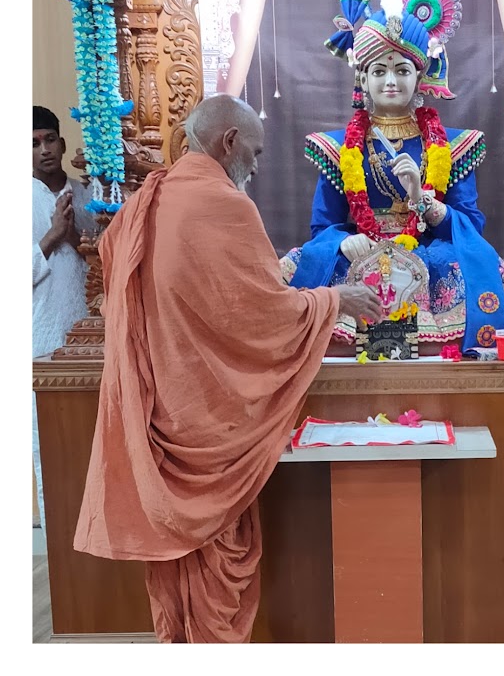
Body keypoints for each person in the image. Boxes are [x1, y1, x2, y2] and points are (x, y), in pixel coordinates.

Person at [75, 95, 387, 642]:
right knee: (222, 561)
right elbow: (263, 315)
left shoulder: (146, 202)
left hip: (164, 412)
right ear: (229, 142)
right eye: (256, 151)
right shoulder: (226, 205)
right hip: (209, 422)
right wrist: (336, 300)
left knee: (182, 560)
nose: (258, 166)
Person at [283, 0, 504, 350]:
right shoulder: (336, 147)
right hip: (362, 250)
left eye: (401, 70)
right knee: (313, 261)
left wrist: (422, 198)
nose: (391, 81)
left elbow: (470, 224)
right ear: (362, 79)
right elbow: (323, 224)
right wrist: (343, 240)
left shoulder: (452, 144)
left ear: (419, 76)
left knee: (465, 262)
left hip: (428, 248)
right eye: (379, 71)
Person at [33, 106, 88, 358]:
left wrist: (72, 236)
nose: (45, 150)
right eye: (34, 143)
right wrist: (53, 235)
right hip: (38, 336)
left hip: (87, 333)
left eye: (50, 140)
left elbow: (107, 263)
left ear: (63, 144)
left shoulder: (88, 195)